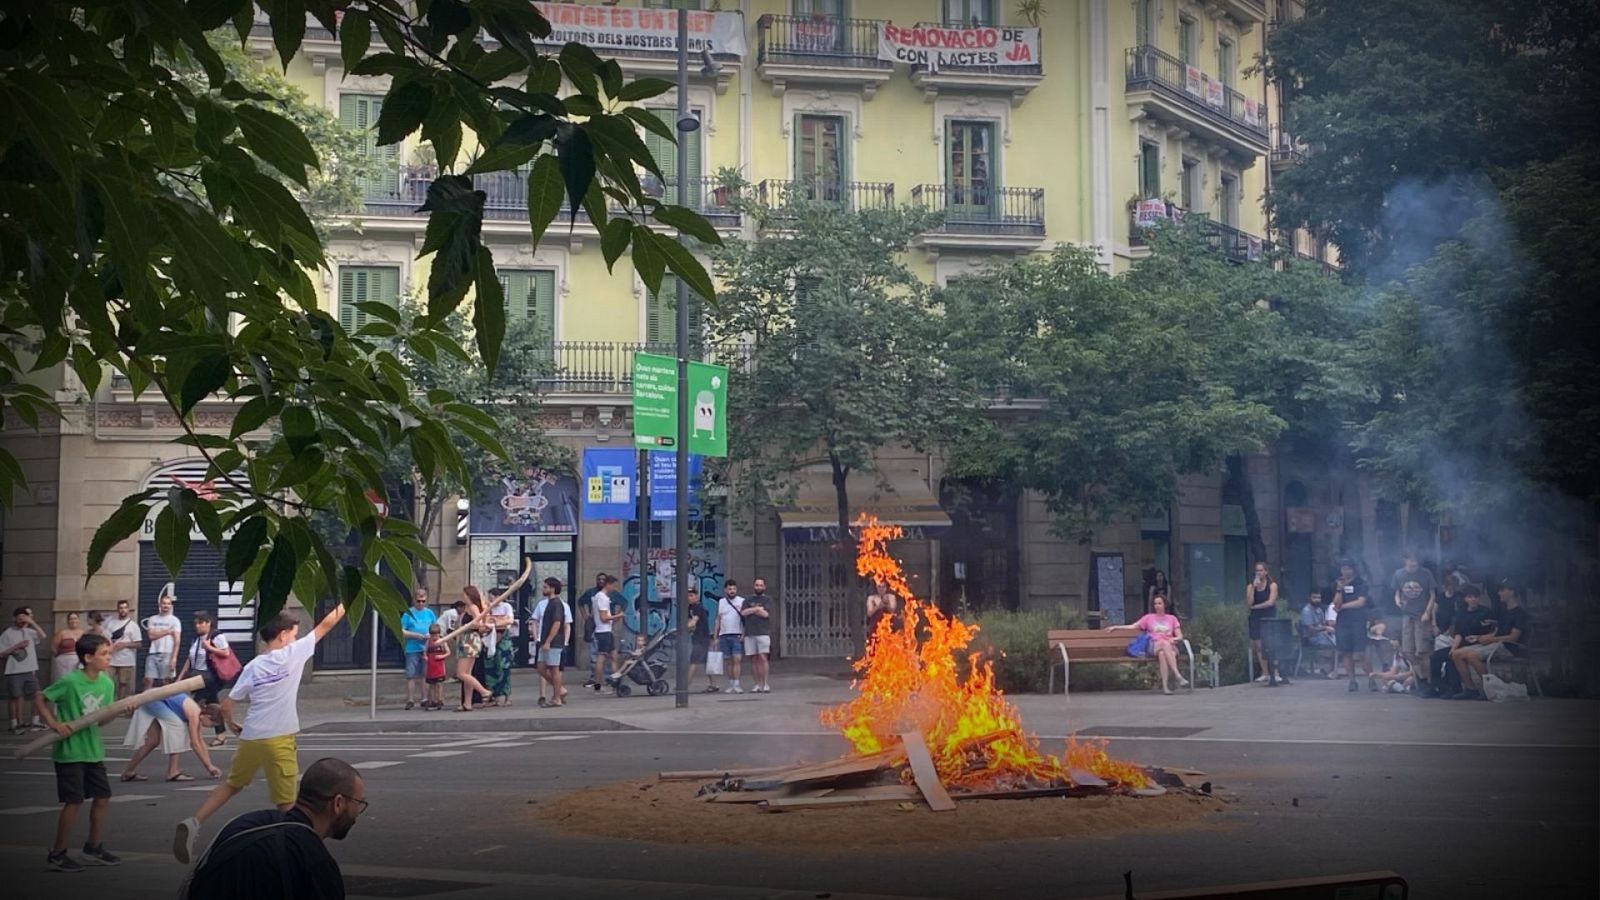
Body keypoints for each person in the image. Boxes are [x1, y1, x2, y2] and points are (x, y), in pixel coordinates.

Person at [173, 602, 347, 865]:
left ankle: (194, 821)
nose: (296, 638)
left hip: (252, 737)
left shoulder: (253, 666)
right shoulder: (294, 653)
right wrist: (350, 598)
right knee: (288, 805)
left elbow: (228, 703)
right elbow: (326, 624)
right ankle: (300, 856)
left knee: (232, 784)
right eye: (294, 633)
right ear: (283, 634)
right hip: (280, 737)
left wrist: (231, 725)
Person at [182, 757, 366, 900]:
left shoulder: (242, 824)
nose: (357, 813)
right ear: (338, 803)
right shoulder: (315, 862)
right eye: (358, 803)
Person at [35, 633, 121, 871]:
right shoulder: (71, 682)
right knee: (74, 801)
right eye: (104, 654)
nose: (108, 658)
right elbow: (40, 697)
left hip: (93, 750)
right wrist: (54, 724)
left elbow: (100, 722)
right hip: (70, 751)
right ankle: (58, 852)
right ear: (88, 657)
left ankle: (93, 847)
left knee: (103, 797)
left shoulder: (107, 683)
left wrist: (116, 711)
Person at [1449, 580, 1530, 700]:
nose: (1499, 593)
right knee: (1456, 654)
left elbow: (1513, 637)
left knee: (1472, 656)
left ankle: (1491, 689)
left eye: (1502, 590)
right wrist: (1481, 637)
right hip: (1496, 643)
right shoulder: (1503, 610)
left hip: (1509, 647)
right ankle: (1471, 689)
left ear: (1511, 592)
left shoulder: (1519, 613)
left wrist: (1492, 639)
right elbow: (1498, 630)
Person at [120, 694, 223, 783]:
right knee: (178, 727)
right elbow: (195, 743)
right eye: (212, 725)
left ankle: (128, 771)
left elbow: (200, 741)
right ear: (207, 716)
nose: (210, 727)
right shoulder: (194, 715)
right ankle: (172, 772)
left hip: (155, 701)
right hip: (155, 700)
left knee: (152, 741)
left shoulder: (197, 714)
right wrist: (209, 767)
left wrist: (210, 765)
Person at [1108, 594, 1189, 694]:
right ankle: (1178, 675)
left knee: (1163, 654)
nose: (1157, 606)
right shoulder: (1148, 618)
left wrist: (1175, 639)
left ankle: (1165, 687)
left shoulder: (1172, 618)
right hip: (1153, 645)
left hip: (1171, 647)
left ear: (1165, 605)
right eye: (1155, 604)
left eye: (1159, 603)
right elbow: (1133, 626)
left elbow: (1180, 635)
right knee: (1164, 644)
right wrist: (1116, 627)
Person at [1426, 583, 1494, 699]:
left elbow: (1492, 631)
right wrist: (1453, 649)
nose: (1473, 599)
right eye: (1470, 597)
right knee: (1435, 657)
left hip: (1479, 644)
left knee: (1452, 661)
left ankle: (1456, 689)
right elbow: (1459, 634)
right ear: (1465, 599)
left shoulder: (1486, 612)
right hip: (1461, 644)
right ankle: (1437, 687)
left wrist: (1478, 637)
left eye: (1475, 597)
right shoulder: (1461, 613)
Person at [177, 611, 234, 747]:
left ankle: (193, 737)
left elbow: (226, 652)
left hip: (210, 677)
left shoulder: (216, 636)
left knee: (194, 705)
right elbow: (189, 660)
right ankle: (221, 735)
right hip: (196, 676)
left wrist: (209, 647)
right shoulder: (195, 639)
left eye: (201, 623)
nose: (198, 626)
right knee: (213, 704)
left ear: (208, 623)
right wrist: (180, 677)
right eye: (196, 623)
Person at [1389, 551, 1438, 691]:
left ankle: (1429, 683)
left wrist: (1428, 612)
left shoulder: (1426, 573)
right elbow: (1397, 592)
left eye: (1415, 560)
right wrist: (1397, 601)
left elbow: (1432, 595)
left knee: (1423, 652)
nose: (1413, 563)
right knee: (1407, 651)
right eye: (1411, 560)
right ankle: (1420, 678)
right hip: (1407, 615)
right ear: (1405, 561)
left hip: (1421, 616)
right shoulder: (1398, 574)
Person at [1330, 561, 1374, 693]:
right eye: (1343, 568)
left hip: (1357, 620)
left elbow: (1360, 602)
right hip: (1343, 621)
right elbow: (1335, 603)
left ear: (1353, 569)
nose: (1345, 571)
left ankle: (1371, 678)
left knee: (1361, 652)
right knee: (1346, 652)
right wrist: (1339, 589)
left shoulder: (1361, 583)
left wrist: (1342, 607)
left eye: (1348, 568)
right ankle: (1352, 681)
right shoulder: (1338, 584)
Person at [2, 605, 47, 734]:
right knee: (15, 697)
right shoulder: (8, 633)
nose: (24, 619)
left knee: (37, 695)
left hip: (30, 669)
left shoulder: (29, 632)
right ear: (14, 618)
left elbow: (43, 636)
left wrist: (32, 622)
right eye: (21, 616)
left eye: (27, 616)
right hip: (14, 670)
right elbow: (1, 653)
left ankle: (36, 721)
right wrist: (17, 646)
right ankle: (15, 724)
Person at [452, 588, 492, 712]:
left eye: (464, 594)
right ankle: (467, 703)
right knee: (467, 674)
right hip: (467, 639)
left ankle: (484, 691)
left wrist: (467, 626)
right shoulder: (469, 608)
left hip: (469, 640)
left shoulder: (473, 607)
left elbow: (479, 624)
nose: (463, 597)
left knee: (461, 673)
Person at [534, 577, 570, 707]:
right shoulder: (549, 602)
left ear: (552, 589)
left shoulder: (557, 604)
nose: (543, 589)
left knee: (554, 669)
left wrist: (548, 640)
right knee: (541, 668)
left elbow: (557, 623)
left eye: (545, 587)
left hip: (554, 642)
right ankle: (560, 689)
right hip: (545, 640)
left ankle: (557, 698)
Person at [399, 590, 436, 711]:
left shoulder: (430, 613)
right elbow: (401, 631)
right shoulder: (408, 613)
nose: (421, 604)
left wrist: (431, 636)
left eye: (423, 601)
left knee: (425, 674)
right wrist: (416, 635)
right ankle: (410, 699)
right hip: (412, 647)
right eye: (418, 601)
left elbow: (435, 628)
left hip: (426, 647)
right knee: (411, 674)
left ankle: (424, 698)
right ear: (414, 600)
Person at [484, 585, 517, 706]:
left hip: (503, 640)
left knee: (504, 668)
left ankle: (507, 697)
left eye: (492, 597)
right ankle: (495, 696)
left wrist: (496, 624)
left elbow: (509, 621)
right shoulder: (489, 608)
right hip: (491, 639)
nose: (490, 600)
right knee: (491, 668)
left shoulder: (506, 606)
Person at [1246, 563, 1280, 683]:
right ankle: (1264, 672)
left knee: (1271, 644)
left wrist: (1256, 607)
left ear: (1266, 572)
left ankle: (1275, 673)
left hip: (1269, 616)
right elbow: (1249, 603)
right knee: (1258, 646)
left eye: (1261, 570)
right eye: (1257, 571)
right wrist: (1254, 589)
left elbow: (1270, 602)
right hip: (1255, 618)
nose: (1259, 573)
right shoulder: (1251, 586)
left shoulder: (1272, 585)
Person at [144, 588, 182, 690]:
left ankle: (168, 704)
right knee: (148, 680)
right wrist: (168, 632)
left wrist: (174, 658)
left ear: (171, 605)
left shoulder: (175, 621)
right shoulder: (152, 619)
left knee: (167, 682)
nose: (166, 606)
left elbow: (177, 640)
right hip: (153, 653)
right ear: (160, 605)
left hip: (167, 653)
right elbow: (151, 636)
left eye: (168, 604)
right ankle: (146, 703)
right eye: (164, 603)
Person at [103, 599, 142, 701]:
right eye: (121, 608)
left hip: (126, 660)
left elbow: (138, 644)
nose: (123, 610)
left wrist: (124, 645)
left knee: (123, 684)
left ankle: (120, 707)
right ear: (117, 609)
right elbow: (105, 638)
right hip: (111, 659)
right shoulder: (111, 623)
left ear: (128, 609)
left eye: (125, 608)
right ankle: (109, 703)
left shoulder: (133, 626)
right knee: (108, 681)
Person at [590, 575, 623, 691]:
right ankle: (598, 684)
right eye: (613, 586)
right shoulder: (602, 598)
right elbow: (604, 617)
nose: (614, 588)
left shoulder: (598, 597)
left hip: (606, 631)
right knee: (601, 657)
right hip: (603, 631)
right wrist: (617, 616)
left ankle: (616, 682)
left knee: (614, 656)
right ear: (608, 584)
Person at [742, 577, 775, 693]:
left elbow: (766, 614)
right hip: (750, 633)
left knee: (762, 657)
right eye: (757, 585)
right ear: (753, 586)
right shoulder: (747, 599)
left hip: (763, 633)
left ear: (764, 587)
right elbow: (744, 613)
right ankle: (757, 684)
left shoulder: (768, 600)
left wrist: (753, 610)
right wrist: (757, 609)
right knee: (754, 659)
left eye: (761, 585)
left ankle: (765, 683)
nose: (759, 587)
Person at [714, 579, 746, 694]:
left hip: (736, 634)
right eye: (729, 589)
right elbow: (718, 619)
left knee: (737, 659)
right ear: (725, 590)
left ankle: (737, 684)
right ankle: (731, 683)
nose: (732, 591)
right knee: (728, 661)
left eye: (733, 589)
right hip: (724, 635)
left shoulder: (742, 601)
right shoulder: (721, 602)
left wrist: (744, 634)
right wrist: (715, 636)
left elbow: (745, 620)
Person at [575, 572, 606, 687]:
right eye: (599, 579)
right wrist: (586, 617)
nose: (601, 581)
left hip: (606, 626)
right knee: (594, 653)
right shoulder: (591, 592)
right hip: (594, 626)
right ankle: (595, 677)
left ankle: (604, 677)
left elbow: (623, 602)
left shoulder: (610, 593)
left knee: (604, 654)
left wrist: (616, 616)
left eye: (603, 579)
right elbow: (580, 603)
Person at [1298, 590, 1336, 675]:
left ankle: (1327, 669)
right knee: (1333, 644)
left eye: (1318, 598)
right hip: (1311, 638)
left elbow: (1323, 623)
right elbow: (1311, 629)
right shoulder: (1306, 611)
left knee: (1338, 642)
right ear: (1309, 598)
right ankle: (1327, 670)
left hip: (1321, 635)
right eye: (1314, 598)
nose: (1317, 600)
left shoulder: (1319, 610)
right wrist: (1325, 628)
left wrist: (1326, 629)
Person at [684, 588, 715, 693]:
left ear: (696, 596)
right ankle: (713, 684)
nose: (689, 598)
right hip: (698, 637)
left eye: (691, 595)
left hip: (701, 638)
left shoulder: (697, 607)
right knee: (707, 662)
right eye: (688, 595)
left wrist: (684, 628)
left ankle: (685, 685)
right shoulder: (690, 608)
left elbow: (693, 621)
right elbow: (690, 623)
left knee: (693, 661)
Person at [50, 612, 86, 681]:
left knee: (77, 679)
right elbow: (53, 646)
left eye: (75, 618)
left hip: (79, 661)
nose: (73, 621)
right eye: (71, 619)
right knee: (64, 679)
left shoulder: (83, 633)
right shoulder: (62, 633)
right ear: (68, 621)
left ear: (79, 620)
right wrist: (59, 657)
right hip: (64, 661)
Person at [423, 624, 448, 710]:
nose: (435, 637)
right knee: (431, 684)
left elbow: (448, 652)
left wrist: (442, 656)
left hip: (439, 666)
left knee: (439, 684)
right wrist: (426, 657)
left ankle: (439, 699)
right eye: (433, 635)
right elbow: (425, 652)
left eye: (436, 635)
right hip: (431, 666)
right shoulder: (428, 642)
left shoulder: (442, 641)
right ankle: (432, 700)